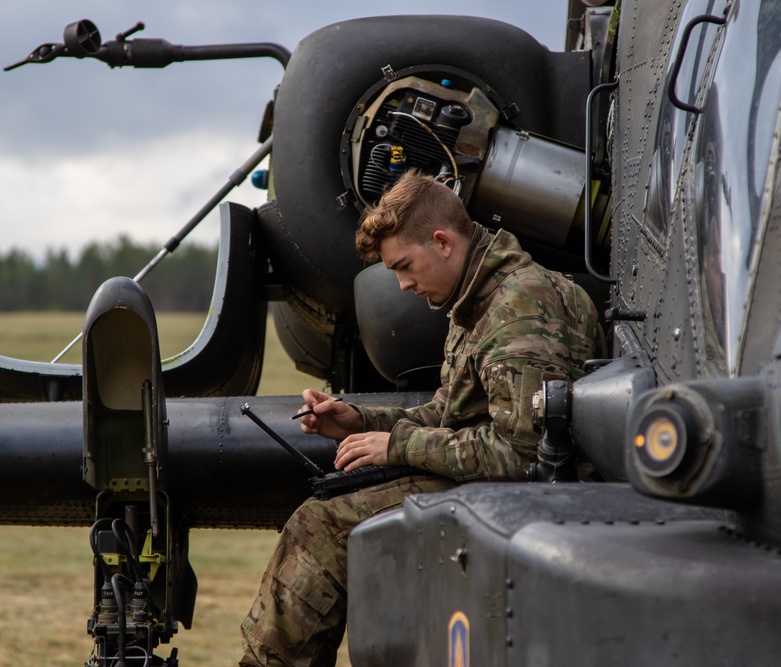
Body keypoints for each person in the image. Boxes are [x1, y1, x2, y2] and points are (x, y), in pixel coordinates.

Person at [239, 170, 603, 667]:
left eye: (406, 266)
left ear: (442, 242)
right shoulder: (479, 299)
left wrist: (397, 447)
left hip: (531, 495)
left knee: (322, 527)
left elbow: (524, 456)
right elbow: (447, 414)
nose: (404, 284)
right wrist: (358, 419)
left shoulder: (519, 305)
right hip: (503, 488)